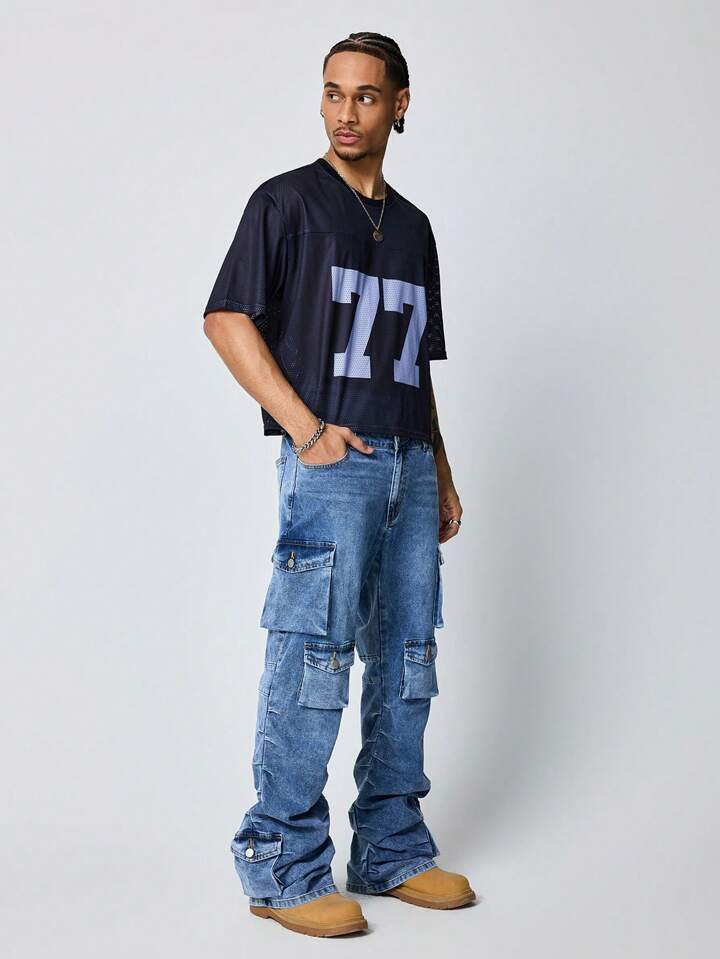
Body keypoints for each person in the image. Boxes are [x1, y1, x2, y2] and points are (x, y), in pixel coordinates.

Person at [203, 31, 473, 938]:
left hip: (408, 463)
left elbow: (414, 363)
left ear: (400, 104)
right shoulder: (285, 203)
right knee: (313, 657)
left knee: (408, 660)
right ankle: (281, 864)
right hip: (332, 469)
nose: (344, 112)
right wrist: (307, 429)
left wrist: (439, 467)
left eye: (364, 95)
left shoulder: (415, 228)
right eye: (331, 92)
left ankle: (391, 848)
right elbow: (227, 318)